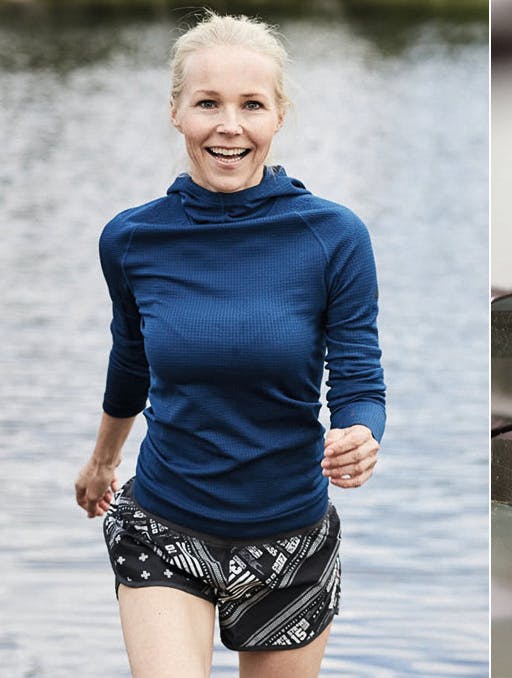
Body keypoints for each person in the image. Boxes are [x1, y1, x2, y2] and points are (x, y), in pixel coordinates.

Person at [73, 12, 385, 678]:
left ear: (278, 117)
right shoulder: (130, 240)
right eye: (207, 103)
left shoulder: (333, 237)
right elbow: (131, 359)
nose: (229, 126)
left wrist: (361, 435)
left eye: (252, 105)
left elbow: (358, 378)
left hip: (292, 538)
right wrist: (104, 461)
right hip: (164, 525)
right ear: (177, 113)